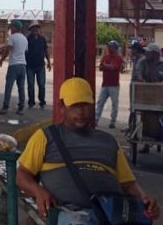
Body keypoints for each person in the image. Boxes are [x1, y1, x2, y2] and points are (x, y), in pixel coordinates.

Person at [17, 77, 159, 224]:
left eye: (85, 105)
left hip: (110, 212)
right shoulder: (46, 137)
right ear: (62, 107)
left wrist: (144, 199)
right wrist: (38, 191)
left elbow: (128, 184)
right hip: (70, 213)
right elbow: (22, 176)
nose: (80, 112)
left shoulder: (109, 141)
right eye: (74, 106)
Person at [132, 43, 163, 153]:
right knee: (144, 116)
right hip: (144, 94)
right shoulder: (142, 62)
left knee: (158, 116)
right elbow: (138, 72)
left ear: (155, 54)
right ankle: (145, 144)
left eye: (149, 52)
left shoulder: (162, 64)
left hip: (159, 97)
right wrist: (141, 79)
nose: (146, 53)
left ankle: (158, 136)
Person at [0, 20, 28, 115]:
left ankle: (5, 107)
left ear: (14, 28)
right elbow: (25, 51)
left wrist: (1, 61)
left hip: (13, 65)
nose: (10, 29)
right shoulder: (25, 39)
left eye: (11, 28)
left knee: (9, 87)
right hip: (23, 66)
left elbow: (7, 51)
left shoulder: (12, 37)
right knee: (21, 88)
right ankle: (21, 108)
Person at [95, 40, 124, 129]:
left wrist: (105, 66)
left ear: (114, 48)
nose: (108, 48)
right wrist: (106, 66)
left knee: (114, 103)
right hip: (105, 83)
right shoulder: (106, 57)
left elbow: (114, 67)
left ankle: (113, 121)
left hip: (114, 85)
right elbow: (100, 67)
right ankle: (96, 119)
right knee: (100, 102)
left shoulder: (118, 58)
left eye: (110, 47)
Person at [25, 21, 51, 110]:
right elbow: (24, 52)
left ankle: (42, 102)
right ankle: (31, 103)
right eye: (33, 28)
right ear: (31, 30)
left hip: (40, 66)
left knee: (41, 85)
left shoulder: (42, 39)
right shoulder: (27, 39)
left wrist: (49, 62)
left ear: (38, 29)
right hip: (29, 66)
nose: (35, 29)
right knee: (31, 85)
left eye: (37, 28)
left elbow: (46, 51)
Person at [127, 41, 146, 129]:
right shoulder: (136, 58)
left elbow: (139, 74)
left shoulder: (142, 59)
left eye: (132, 49)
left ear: (136, 50)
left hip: (139, 87)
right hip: (134, 85)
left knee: (136, 107)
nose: (131, 51)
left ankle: (134, 127)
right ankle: (131, 126)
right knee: (132, 107)